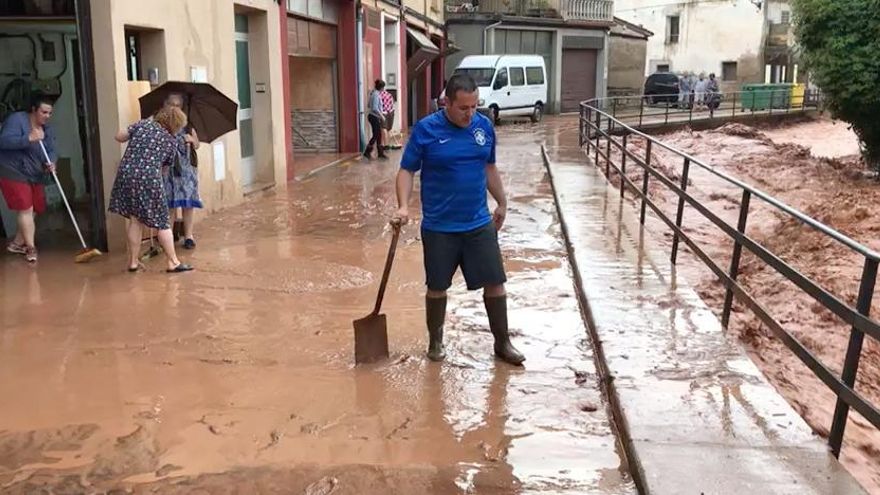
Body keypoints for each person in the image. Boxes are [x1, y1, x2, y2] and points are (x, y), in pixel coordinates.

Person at [392, 74, 525, 366]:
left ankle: (502, 343)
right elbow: (406, 171)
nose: (470, 113)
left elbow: (489, 167)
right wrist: (403, 206)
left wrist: (502, 202)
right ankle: (436, 341)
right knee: (437, 286)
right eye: (463, 108)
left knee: (496, 282)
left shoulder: (484, 127)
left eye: (475, 106)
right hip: (440, 227)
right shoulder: (426, 130)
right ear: (446, 103)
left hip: (478, 223)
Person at [109, 106, 193, 273]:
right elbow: (164, 170)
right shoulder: (171, 140)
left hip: (126, 173)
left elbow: (119, 136)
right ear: (175, 125)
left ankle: (133, 263)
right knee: (162, 221)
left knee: (135, 219)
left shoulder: (142, 125)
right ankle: (173, 262)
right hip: (149, 177)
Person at [0, 95, 57, 263]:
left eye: (50, 113)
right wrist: (27, 139)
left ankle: (17, 243)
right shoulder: (16, 120)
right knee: (25, 207)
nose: (47, 116)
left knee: (35, 208)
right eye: (44, 112)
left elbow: (52, 149)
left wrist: (51, 162)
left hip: (35, 172)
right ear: (33, 110)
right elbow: (3, 141)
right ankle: (31, 248)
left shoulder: (47, 129)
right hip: (13, 170)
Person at [162, 93, 202, 250]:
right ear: (165, 105)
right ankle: (168, 236)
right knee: (170, 204)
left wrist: (192, 140)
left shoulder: (188, 125)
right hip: (169, 170)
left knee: (188, 204)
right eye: (172, 104)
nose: (175, 108)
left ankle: (189, 236)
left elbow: (197, 144)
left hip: (187, 171)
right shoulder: (162, 126)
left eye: (178, 105)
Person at [364, 79, 388, 160]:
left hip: (374, 116)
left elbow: (368, 105)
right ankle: (367, 152)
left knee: (378, 135)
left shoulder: (373, 94)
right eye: (383, 87)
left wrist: (381, 112)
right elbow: (374, 108)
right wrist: (382, 116)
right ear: (381, 87)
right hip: (374, 117)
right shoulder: (376, 95)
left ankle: (380, 153)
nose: (383, 89)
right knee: (376, 134)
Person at [379, 87, 395, 152]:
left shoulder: (379, 95)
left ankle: (385, 145)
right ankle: (387, 144)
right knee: (389, 129)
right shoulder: (389, 95)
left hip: (383, 113)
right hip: (391, 112)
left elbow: (379, 105)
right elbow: (392, 103)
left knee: (383, 128)